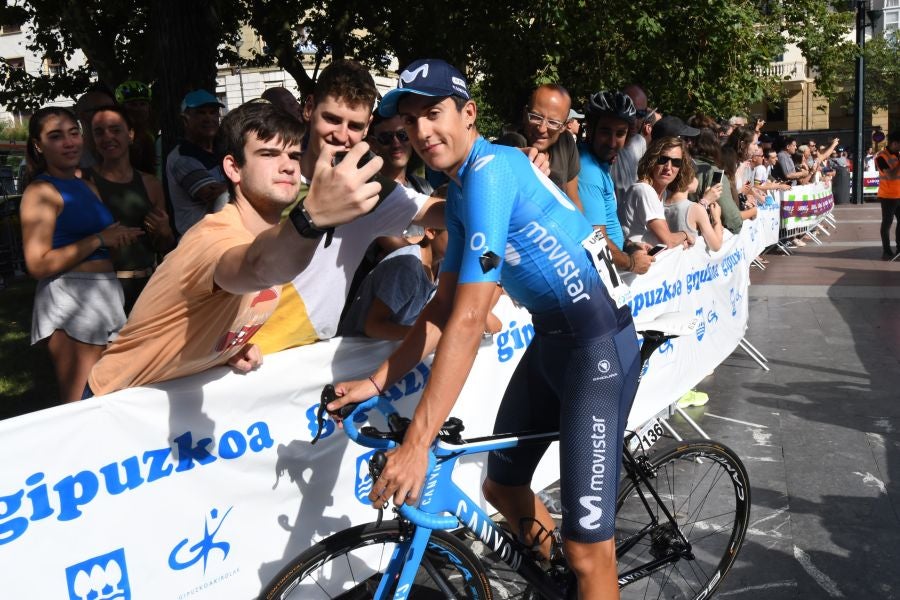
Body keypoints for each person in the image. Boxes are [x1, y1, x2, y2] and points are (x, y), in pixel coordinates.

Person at [330, 58, 640, 600]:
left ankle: (587, 582)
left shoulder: (492, 172)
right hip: (553, 343)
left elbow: (471, 320)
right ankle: (558, 587)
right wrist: (377, 380)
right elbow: (444, 308)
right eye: (411, 121)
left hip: (598, 351)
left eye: (434, 113)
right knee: (502, 487)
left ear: (468, 113)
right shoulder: (462, 191)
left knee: (589, 552)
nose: (422, 132)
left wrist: (419, 443)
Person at [86, 100, 385, 396]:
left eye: (294, 155)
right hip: (114, 405)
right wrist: (312, 217)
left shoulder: (271, 238)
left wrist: (225, 347)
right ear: (233, 168)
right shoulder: (214, 238)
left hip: (166, 405)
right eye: (268, 153)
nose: (288, 166)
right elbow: (259, 266)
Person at [249, 59, 442, 354]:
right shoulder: (266, 177)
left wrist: (496, 163)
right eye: (332, 119)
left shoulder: (369, 188)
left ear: (366, 130)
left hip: (315, 354)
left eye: (354, 126)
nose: (341, 135)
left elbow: (445, 213)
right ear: (308, 108)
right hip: (248, 354)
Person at [19, 107, 144, 402]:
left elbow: (98, 239)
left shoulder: (85, 185)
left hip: (105, 296)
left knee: (111, 398)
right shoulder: (41, 192)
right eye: (56, 136)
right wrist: (100, 238)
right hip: (70, 299)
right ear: (38, 145)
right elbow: (37, 264)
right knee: (82, 406)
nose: (69, 142)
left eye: (74, 133)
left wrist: (117, 237)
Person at [87, 105, 175, 313]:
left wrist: (165, 231)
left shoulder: (150, 183)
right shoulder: (83, 182)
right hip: (103, 290)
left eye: (115, 130)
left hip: (149, 287)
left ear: (130, 134)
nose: (107, 137)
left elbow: (164, 246)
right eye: (99, 132)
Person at [577, 90, 653, 274]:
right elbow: (595, 240)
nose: (612, 142)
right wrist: (631, 263)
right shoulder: (589, 171)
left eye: (620, 133)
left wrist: (628, 245)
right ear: (591, 129)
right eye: (605, 131)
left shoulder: (599, 163)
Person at [338, 227, 446, 340]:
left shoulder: (442, 268)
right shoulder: (408, 269)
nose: (463, 239)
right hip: (358, 348)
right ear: (431, 232)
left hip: (391, 346)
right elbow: (373, 326)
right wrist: (425, 336)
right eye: (456, 232)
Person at [165, 89, 229, 237]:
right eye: (201, 113)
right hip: (200, 242)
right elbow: (212, 193)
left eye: (213, 112)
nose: (209, 118)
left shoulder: (222, 150)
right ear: (185, 120)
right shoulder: (182, 157)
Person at [619, 137, 699, 248]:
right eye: (663, 159)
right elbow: (669, 241)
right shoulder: (644, 190)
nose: (668, 167)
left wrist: (678, 241)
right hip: (633, 259)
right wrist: (685, 234)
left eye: (676, 162)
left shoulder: (663, 193)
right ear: (652, 161)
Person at [521, 84, 583, 210]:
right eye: (535, 117)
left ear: (564, 127)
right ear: (524, 114)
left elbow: (573, 199)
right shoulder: (513, 143)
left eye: (553, 123)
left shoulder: (566, 142)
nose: (542, 128)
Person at [664, 176, 724, 252]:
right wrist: (717, 218)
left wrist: (705, 202)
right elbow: (716, 246)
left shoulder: (661, 203)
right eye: (695, 176)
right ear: (688, 179)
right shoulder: (696, 209)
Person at [114, 80, 158, 174]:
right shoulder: (118, 135)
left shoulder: (148, 134)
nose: (138, 109)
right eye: (133, 104)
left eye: (143, 104)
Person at [74, 86, 117, 170]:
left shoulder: (126, 150)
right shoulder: (72, 158)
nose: (112, 114)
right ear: (82, 115)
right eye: (103, 109)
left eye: (114, 109)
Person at [875, 129, 900, 259]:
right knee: (887, 223)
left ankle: (899, 248)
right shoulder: (881, 157)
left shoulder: (897, 155)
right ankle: (886, 250)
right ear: (895, 143)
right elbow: (890, 175)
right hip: (888, 196)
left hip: (899, 195)